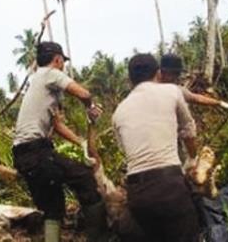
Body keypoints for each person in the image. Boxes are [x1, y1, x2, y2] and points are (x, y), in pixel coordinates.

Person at [12, 41, 107, 242]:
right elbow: (84, 93)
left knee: (53, 207)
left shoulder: (37, 79)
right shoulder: (50, 73)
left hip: (25, 154)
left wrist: (80, 142)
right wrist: (90, 107)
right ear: (57, 59)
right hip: (37, 152)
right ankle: (99, 238)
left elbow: (56, 125)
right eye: (62, 61)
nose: (63, 65)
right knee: (85, 179)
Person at [112, 53, 200, 242]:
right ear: (158, 73)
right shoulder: (172, 91)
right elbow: (188, 130)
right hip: (169, 185)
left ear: (130, 79)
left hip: (137, 192)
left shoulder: (119, 110)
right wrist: (193, 159)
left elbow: (125, 149)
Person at [160, 54, 228, 112]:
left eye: (177, 74)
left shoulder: (176, 90)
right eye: (174, 74)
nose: (176, 77)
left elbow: (196, 98)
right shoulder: (151, 88)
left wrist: (219, 103)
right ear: (163, 72)